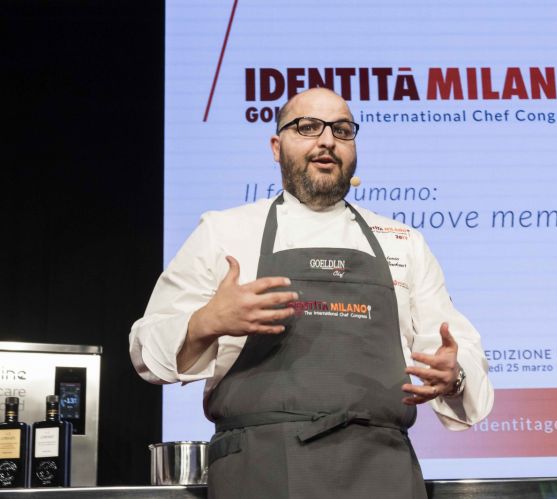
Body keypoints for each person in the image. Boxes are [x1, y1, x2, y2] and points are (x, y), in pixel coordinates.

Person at [130, 88, 493, 498]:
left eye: (342, 130)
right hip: (261, 471)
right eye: (307, 127)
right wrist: (205, 323)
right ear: (275, 146)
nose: (326, 141)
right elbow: (146, 351)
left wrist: (454, 376)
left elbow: (458, 352)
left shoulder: (402, 241)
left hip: (380, 471)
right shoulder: (224, 232)